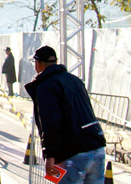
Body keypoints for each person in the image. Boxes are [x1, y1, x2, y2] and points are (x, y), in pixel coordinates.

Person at [25, 46, 106, 184]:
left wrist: (50, 155)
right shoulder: (74, 80)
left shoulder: (46, 86)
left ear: (38, 64)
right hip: (96, 148)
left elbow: (51, 123)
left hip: (72, 153)